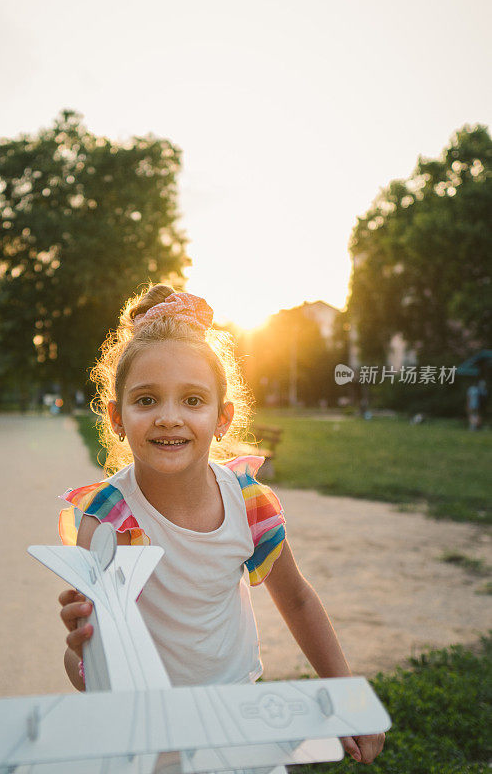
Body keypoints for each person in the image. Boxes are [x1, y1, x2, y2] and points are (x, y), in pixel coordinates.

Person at [58, 284, 385, 765]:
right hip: (147, 730)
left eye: (192, 400)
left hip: (237, 717)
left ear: (223, 417)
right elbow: (85, 668)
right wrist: (85, 652)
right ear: (117, 418)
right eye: (146, 400)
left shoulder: (248, 502)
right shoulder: (107, 519)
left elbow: (295, 597)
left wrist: (348, 696)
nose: (169, 418)